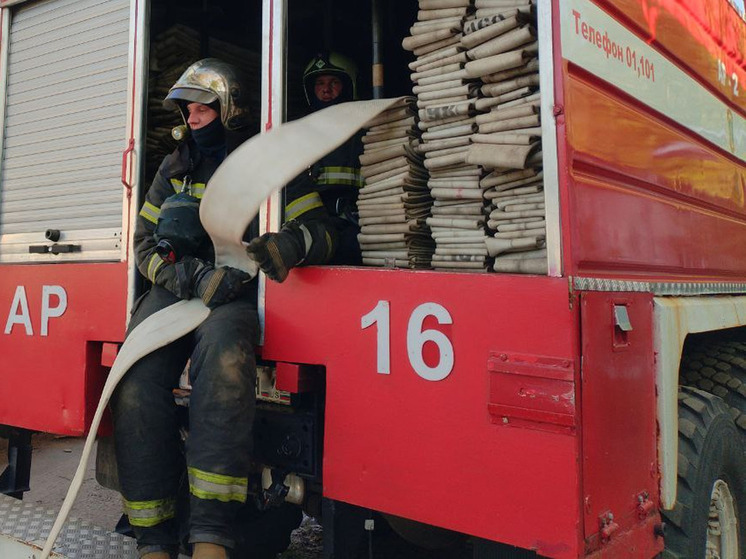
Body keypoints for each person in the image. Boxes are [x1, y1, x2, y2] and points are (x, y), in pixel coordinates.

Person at [110, 58, 264, 559]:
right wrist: (183, 274)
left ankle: (210, 538)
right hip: (174, 291)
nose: (193, 118)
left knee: (223, 366)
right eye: (188, 110)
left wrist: (272, 254)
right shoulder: (173, 167)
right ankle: (153, 540)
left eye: (204, 108)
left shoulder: (260, 163)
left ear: (230, 110)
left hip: (232, 295)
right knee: (135, 381)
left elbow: (314, 229)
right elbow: (143, 242)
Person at [246, 51, 365, 277]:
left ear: (349, 86)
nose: (325, 90)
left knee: (350, 245)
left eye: (334, 83)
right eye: (319, 83)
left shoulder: (364, 134)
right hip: (304, 222)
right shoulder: (297, 134)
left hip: (350, 223)